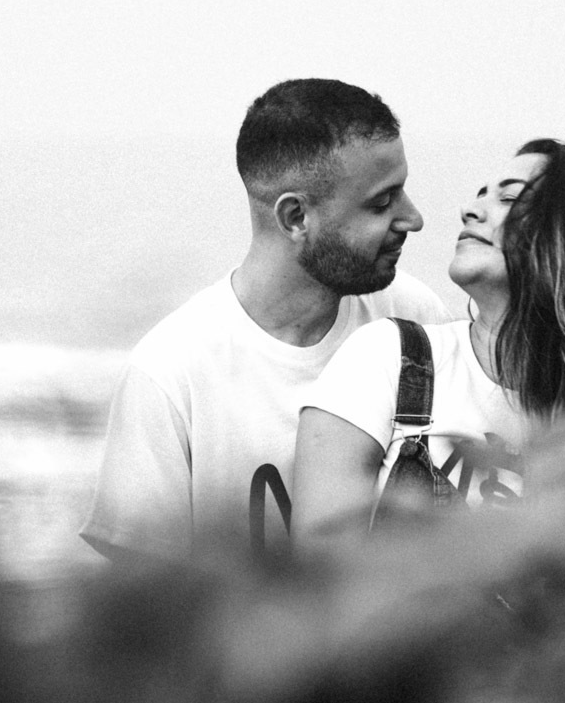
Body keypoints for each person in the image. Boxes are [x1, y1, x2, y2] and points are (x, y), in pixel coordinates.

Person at [80, 79, 450, 563]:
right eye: (381, 203)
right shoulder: (170, 372)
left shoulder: (414, 321)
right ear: (295, 216)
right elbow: (146, 595)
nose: (414, 219)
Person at [291, 138, 565, 547]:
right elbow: (320, 571)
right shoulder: (388, 360)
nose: (471, 209)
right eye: (481, 195)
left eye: (509, 198)